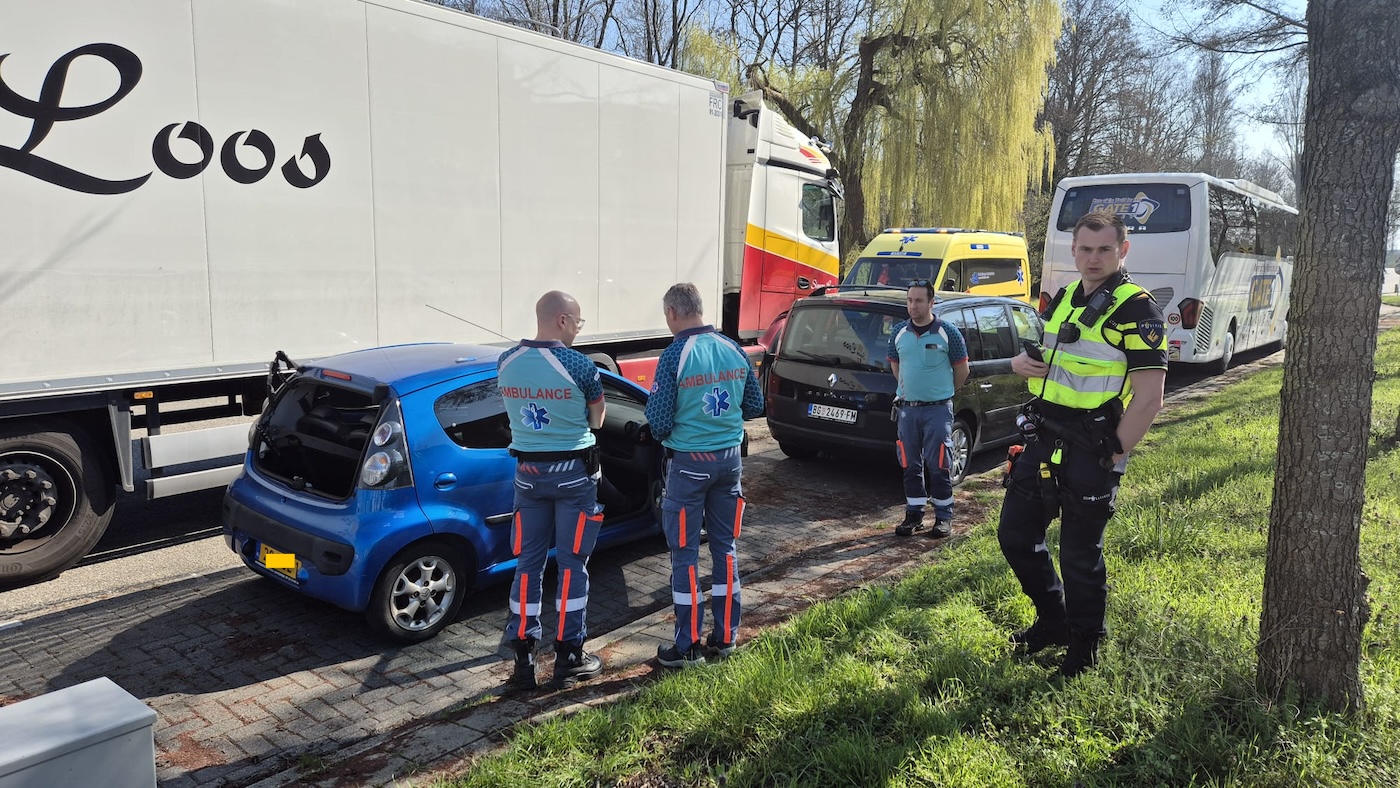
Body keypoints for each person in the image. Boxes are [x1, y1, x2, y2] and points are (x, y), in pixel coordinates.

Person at [999, 211, 1167, 678]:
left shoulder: (1137, 308)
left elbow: (1150, 398)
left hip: (1093, 447)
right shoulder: (1068, 296)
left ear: (1123, 251)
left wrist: (1113, 456)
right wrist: (1020, 364)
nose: (1093, 259)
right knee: (1015, 535)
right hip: (1044, 437)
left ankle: (1085, 644)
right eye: (1085, 249)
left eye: (1104, 250)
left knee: (1079, 555)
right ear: (1073, 250)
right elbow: (1053, 358)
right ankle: (1053, 621)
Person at [645, 283, 765, 668]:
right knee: (724, 549)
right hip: (730, 464)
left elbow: (659, 421)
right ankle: (726, 637)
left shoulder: (674, 354)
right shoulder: (732, 348)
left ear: (673, 314)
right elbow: (754, 404)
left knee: (684, 556)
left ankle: (686, 646)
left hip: (688, 466)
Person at [496, 291, 607, 690]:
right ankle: (569, 655)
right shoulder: (579, 364)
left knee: (528, 565)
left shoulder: (505, 361)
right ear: (562, 320)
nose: (579, 329)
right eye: (578, 322)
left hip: (526, 477)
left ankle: (523, 660)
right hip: (575, 478)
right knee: (574, 563)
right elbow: (597, 419)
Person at [887, 279, 969, 538]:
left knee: (939, 463)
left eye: (919, 300)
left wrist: (942, 394)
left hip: (937, 410)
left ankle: (943, 517)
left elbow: (962, 370)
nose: (913, 306)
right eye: (910, 300)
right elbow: (895, 364)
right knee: (910, 464)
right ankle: (914, 514)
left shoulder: (948, 332)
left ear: (931, 302)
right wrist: (907, 391)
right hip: (907, 411)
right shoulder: (899, 332)